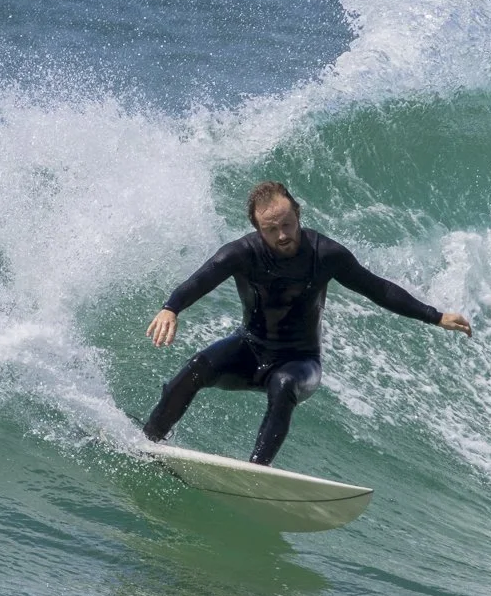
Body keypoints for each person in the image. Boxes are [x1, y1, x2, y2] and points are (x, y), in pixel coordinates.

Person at [143, 181, 472, 465]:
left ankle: (258, 470)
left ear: (298, 215)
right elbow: (203, 278)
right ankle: (149, 440)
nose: (283, 235)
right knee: (198, 365)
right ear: (258, 229)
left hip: (300, 361)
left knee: (284, 384)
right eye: (271, 230)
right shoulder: (241, 253)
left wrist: (435, 316)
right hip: (249, 349)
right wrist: (171, 307)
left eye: (287, 224)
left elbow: (379, 288)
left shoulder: (326, 255)